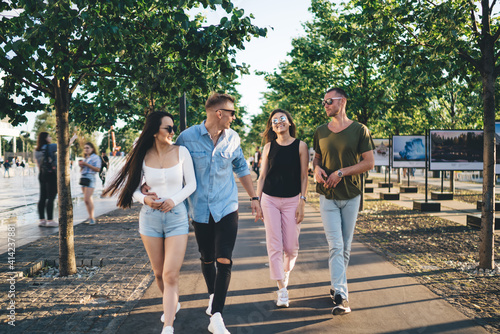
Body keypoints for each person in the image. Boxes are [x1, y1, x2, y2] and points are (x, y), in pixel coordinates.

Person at [144, 93, 262, 334]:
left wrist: (254, 198)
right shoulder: (187, 138)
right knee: (207, 257)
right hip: (199, 209)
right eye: (232, 113)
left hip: (227, 207)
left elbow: (241, 168)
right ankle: (212, 295)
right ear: (219, 113)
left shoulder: (233, 138)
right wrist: (146, 185)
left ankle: (217, 315)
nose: (234, 117)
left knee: (224, 258)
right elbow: (168, 161)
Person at [103, 112, 195, 334]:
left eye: (173, 128)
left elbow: (191, 184)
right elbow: (131, 186)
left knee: (171, 273)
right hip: (149, 220)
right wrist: (144, 199)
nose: (173, 132)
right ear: (154, 131)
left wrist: (173, 200)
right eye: (168, 128)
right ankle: (171, 303)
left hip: (177, 217)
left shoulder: (181, 152)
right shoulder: (141, 156)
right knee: (158, 273)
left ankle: (168, 325)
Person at [313, 87, 374, 316]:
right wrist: (317, 169)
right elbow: (316, 159)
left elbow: (368, 163)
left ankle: (336, 285)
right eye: (324, 101)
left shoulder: (360, 130)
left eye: (329, 100)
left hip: (351, 195)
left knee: (345, 247)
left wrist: (341, 172)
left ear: (343, 101)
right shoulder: (320, 131)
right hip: (327, 196)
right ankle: (341, 296)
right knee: (336, 245)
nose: (325, 104)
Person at [256, 109, 309, 308]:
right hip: (269, 199)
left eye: (282, 119)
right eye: (274, 120)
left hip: (292, 200)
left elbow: (304, 176)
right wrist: (257, 201)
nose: (279, 122)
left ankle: (285, 272)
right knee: (274, 245)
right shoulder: (269, 147)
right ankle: (282, 290)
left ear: (289, 122)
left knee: (291, 247)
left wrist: (302, 202)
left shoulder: (301, 146)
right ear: (271, 126)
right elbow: (262, 177)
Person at [35, 132, 77, 227]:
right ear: (45, 138)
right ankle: (50, 220)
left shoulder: (37, 150)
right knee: (51, 197)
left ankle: (42, 220)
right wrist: (73, 138)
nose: (50, 138)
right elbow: (65, 145)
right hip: (51, 175)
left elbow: (38, 164)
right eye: (49, 136)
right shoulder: (51, 146)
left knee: (42, 197)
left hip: (42, 174)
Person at [78, 142, 102, 225]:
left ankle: (92, 218)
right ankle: (90, 216)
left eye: (88, 148)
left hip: (90, 177)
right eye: (85, 148)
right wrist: (81, 166)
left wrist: (86, 164)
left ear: (92, 149)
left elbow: (98, 169)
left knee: (87, 199)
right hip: (84, 178)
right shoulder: (86, 158)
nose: (86, 149)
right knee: (87, 200)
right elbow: (82, 170)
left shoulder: (95, 157)